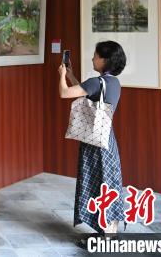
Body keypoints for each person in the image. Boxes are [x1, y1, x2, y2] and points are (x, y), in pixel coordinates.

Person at [58, 40, 127, 236]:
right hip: (107, 139)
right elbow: (87, 92)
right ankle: (109, 233)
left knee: (97, 184)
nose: (92, 59)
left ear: (105, 60)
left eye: (96, 56)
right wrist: (71, 75)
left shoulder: (96, 82)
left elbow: (64, 93)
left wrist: (62, 75)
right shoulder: (113, 82)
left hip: (94, 143)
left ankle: (106, 237)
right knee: (109, 184)